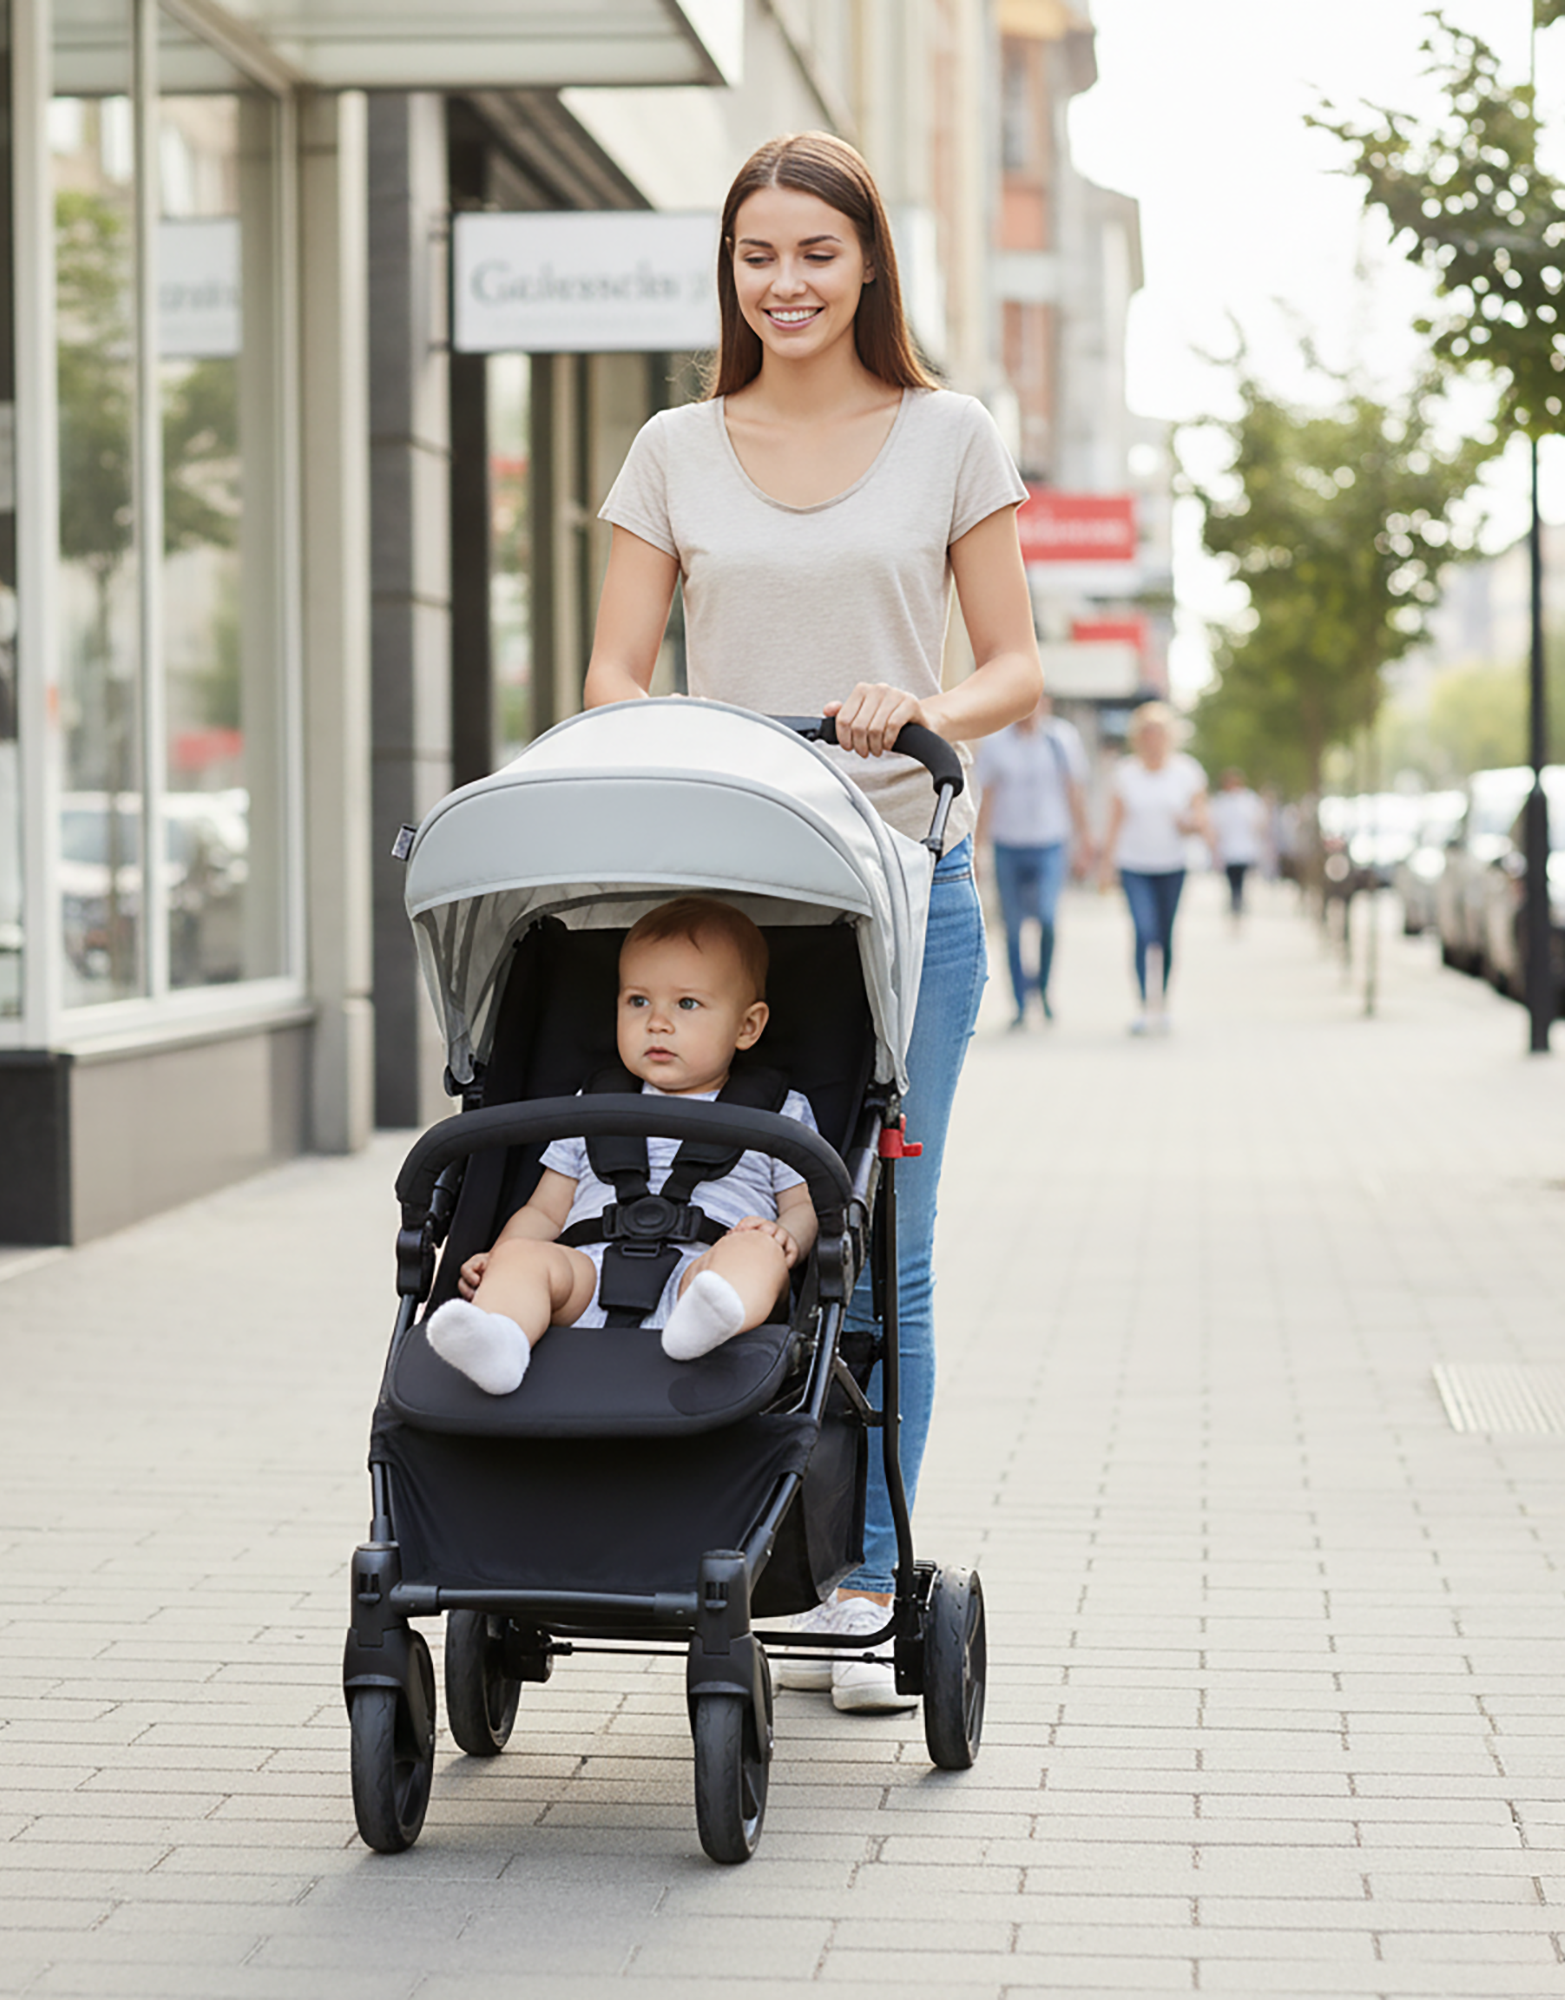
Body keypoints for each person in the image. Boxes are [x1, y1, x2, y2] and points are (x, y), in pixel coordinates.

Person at [583, 131, 1044, 1710]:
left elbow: (1016, 667)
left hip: (911, 885)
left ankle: (857, 1574)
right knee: (686, 1209)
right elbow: (611, 678)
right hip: (738, 900)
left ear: (868, 268)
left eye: (815, 255)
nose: (785, 284)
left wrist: (914, 704)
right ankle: (701, 1524)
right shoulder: (672, 446)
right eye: (757, 256)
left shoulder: (949, 434)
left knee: (876, 1240)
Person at [426, 898, 820, 1396]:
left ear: (747, 1026)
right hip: (587, 1273)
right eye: (638, 1001)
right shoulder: (593, 1103)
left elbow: (806, 1204)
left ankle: (708, 1319)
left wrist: (786, 1237)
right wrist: (500, 1258)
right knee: (525, 1256)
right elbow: (546, 1211)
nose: (657, 1022)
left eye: (687, 1004)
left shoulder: (778, 1110)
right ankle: (501, 1338)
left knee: (757, 1253)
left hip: (705, 1268)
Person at [972, 692, 1090, 1025]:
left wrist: (1084, 840)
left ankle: (1044, 989)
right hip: (1008, 844)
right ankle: (1021, 1003)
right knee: (1011, 927)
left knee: (1047, 920)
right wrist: (978, 850)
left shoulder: (1062, 738)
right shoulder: (996, 743)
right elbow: (987, 798)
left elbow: (1074, 791)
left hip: (1050, 843)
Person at [1100, 702, 1208, 1035]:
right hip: (1134, 866)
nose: (1152, 738)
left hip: (1172, 866)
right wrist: (1106, 864)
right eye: (1146, 732)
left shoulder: (1187, 772)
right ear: (1138, 737)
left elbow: (1202, 820)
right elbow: (1115, 823)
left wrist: (1188, 824)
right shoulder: (1126, 774)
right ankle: (1145, 1005)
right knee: (1143, 932)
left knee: (1165, 935)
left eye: (1158, 732)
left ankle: (1162, 1004)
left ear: (1168, 736)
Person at [1208, 766, 1266, 919]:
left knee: (1241, 878)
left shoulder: (1249, 799)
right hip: (1227, 850)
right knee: (1231, 878)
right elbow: (1214, 825)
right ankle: (1235, 901)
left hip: (1245, 849)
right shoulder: (1220, 801)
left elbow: (1259, 822)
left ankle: (1238, 901)